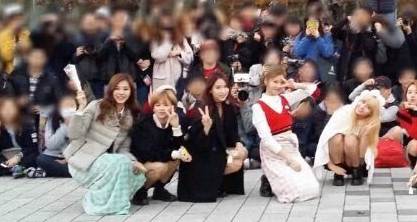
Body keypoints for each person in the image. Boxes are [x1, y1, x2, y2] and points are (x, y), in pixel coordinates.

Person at [64, 74, 147, 215]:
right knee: (121, 162)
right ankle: (97, 203)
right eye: (117, 88)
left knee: (137, 174)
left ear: (131, 92)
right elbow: (74, 134)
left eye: (125, 89)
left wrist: (133, 162)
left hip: (108, 162)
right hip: (82, 162)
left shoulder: (128, 115)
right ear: (110, 90)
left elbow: (123, 149)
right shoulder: (96, 106)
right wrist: (81, 109)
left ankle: (108, 201)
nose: (121, 92)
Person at [251, 65, 319, 203]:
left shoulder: (285, 98)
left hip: (291, 146)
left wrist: (294, 85)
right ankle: (268, 179)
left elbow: (312, 89)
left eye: (281, 82)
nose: (278, 85)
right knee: (296, 193)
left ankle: (272, 180)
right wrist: (289, 159)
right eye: (275, 81)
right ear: (266, 81)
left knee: (313, 189)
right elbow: (266, 139)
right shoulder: (258, 106)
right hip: (274, 151)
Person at [181, 74, 248, 202]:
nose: (223, 91)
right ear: (210, 90)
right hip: (202, 155)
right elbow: (196, 144)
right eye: (218, 88)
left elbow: (233, 134)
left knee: (242, 153)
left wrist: (238, 144)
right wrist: (206, 128)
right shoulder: (201, 108)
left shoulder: (228, 107)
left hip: (219, 149)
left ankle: (219, 183)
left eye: (225, 87)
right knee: (235, 163)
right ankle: (209, 183)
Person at [130, 87, 191, 203]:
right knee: (161, 166)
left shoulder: (174, 120)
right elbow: (148, 153)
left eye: (166, 105)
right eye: (157, 105)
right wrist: (172, 154)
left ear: (173, 107)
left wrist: (176, 127)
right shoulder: (144, 124)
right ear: (153, 107)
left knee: (176, 159)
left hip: (158, 159)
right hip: (139, 163)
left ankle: (159, 190)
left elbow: (180, 148)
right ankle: (140, 192)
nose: (162, 109)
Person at [315, 91, 382, 186]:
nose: (362, 107)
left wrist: (364, 134)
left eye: (368, 107)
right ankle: (338, 173)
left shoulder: (371, 123)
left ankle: (356, 172)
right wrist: (331, 165)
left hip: (358, 161)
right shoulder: (343, 112)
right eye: (363, 102)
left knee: (350, 138)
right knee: (335, 137)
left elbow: (363, 155)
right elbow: (324, 139)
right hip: (338, 158)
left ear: (371, 113)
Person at [0, 96, 39, 178]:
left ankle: (2, 170)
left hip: (22, 156)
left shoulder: (26, 124)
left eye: (11, 109)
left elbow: (32, 148)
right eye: (4, 109)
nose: (7, 112)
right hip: (5, 158)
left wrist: (18, 157)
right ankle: (15, 169)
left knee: (35, 157)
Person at [150, 14, 194, 93]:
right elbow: (157, 56)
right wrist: (169, 41)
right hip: (161, 79)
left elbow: (189, 58)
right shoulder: (156, 38)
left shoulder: (181, 39)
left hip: (178, 79)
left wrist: (179, 53)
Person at [38, 93, 77, 178]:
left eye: (71, 105)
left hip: (75, 156)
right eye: (65, 105)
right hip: (55, 155)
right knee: (41, 160)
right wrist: (64, 126)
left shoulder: (81, 118)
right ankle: (73, 172)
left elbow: (81, 143)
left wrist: (68, 159)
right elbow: (50, 145)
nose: (69, 108)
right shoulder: (52, 120)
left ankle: (68, 171)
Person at [0, 5, 31, 73]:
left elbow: (31, 51)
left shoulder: (26, 33)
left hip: (26, 70)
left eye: (20, 19)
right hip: (9, 72)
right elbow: (5, 56)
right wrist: (16, 47)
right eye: (15, 19)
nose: (18, 22)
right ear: (8, 20)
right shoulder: (2, 35)